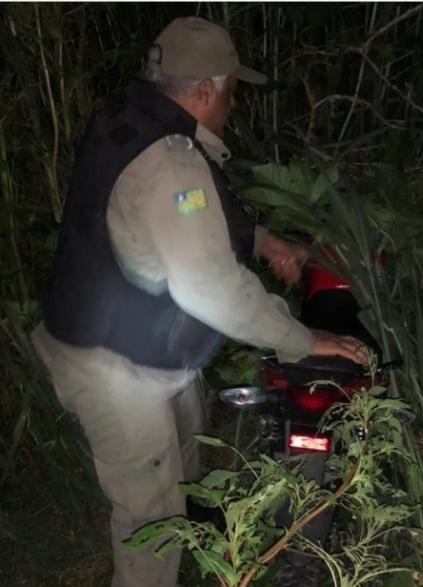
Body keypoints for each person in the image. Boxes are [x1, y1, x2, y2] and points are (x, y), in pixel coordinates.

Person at [32, 16, 368, 587]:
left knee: (185, 464)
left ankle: (193, 560)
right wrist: (304, 341)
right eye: (232, 91)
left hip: (135, 342)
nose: (233, 103)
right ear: (206, 89)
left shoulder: (133, 117)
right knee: (152, 519)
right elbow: (211, 290)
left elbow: (183, 207)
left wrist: (262, 241)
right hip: (110, 365)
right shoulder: (170, 159)